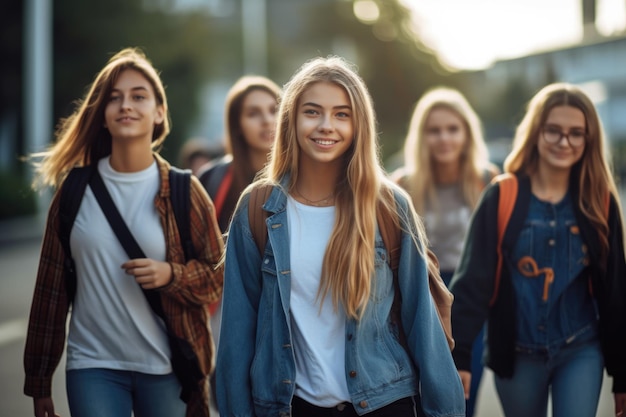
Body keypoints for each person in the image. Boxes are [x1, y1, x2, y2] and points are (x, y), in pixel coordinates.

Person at [215, 56, 465, 417]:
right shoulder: (257, 210)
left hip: (383, 402)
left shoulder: (388, 205)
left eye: (342, 114)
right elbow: (237, 336)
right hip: (292, 406)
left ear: (358, 123)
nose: (326, 126)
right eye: (313, 112)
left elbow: (422, 323)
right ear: (292, 119)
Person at [23, 48, 224, 417]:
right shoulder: (74, 191)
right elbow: (50, 292)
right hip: (92, 366)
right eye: (113, 98)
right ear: (102, 115)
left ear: (159, 112)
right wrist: (39, 382)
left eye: (138, 96)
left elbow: (215, 277)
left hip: (166, 368)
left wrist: (171, 275)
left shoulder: (184, 190)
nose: (125, 105)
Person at [449, 83, 626, 417]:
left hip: (580, 350)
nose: (564, 142)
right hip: (516, 356)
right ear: (536, 133)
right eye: (554, 131)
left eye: (576, 134)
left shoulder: (599, 202)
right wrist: (459, 358)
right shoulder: (502, 196)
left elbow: (616, 293)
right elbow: (473, 283)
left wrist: (623, 376)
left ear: (589, 140)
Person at [391, 86, 499, 417]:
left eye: (453, 129)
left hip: (471, 300)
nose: (444, 138)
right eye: (434, 130)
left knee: (463, 397)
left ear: (467, 133)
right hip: (421, 297)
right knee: (421, 398)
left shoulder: (488, 180)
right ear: (421, 137)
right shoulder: (402, 184)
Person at [197, 75, 282, 233]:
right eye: (253, 113)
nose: (267, 120)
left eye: (274, 110)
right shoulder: (211, 179)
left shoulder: (303, 177)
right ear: (236, 125)